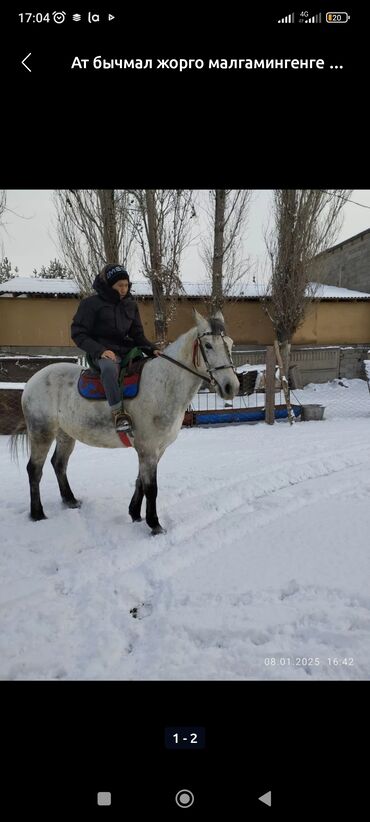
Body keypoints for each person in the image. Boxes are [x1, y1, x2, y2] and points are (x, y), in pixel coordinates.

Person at [71, 264, 161, 432]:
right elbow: (78, 333)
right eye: (120, 285)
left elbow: (137, 334)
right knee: (109, 369)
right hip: (102, 352)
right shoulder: (91, 304)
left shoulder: (130, 305)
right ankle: (118, 413)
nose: (124, 289)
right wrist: (100, 351)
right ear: (109, 285)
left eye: (126, 285)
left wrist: (152, 349)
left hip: (127, 351)